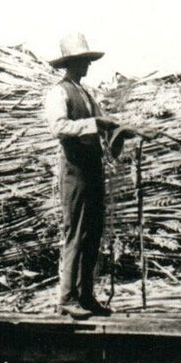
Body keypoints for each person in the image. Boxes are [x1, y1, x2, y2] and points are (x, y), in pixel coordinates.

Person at [43, 33, 130, 318]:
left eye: (88, 62)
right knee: (76, 233)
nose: (88, 67)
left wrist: (122, 131)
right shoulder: (60, 93)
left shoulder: (87, 94)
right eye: (83, 62)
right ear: (71, 63)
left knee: (92, 233)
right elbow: (59, 128)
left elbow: (104, 125)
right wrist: (94, 123)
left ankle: (86, 295)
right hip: (74, 171)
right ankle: (67, 297)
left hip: (93, 171)